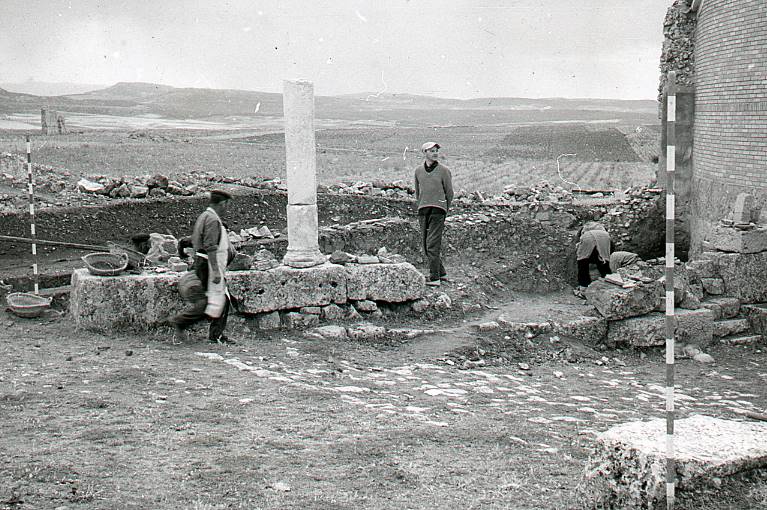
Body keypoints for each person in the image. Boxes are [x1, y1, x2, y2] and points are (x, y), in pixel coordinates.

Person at [172, 190, 237, 344]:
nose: (227, 208)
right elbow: (210, 246)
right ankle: (183, 322)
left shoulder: (204, 216)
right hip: (208, 263)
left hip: (203, 262)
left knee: (220, 299)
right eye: (227, 205)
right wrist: (215, 271)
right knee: (213, 300)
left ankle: (215, 334)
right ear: (223, 204)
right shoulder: (213, 220)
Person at [414, 141, 454, 286]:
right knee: (425, 244)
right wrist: (420, 205)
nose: (435, 153)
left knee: (432, 244)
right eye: (431, 151)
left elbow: (449, 193)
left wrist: (444, 208)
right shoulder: (418, 171)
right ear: (424, 153)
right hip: (423, 209)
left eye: (436, 150)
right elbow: (418, 192)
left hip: (438, 210)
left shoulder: (444, 171)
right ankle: (441, 273)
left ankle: (434, 278)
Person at [575, 221, 612, 295]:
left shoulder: (584, 229)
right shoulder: (603, 229)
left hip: (588, 238)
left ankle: (584, 287)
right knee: (604, 262)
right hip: (605, 238)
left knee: (582, 263)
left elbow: (578, 240)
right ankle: (609, 284)